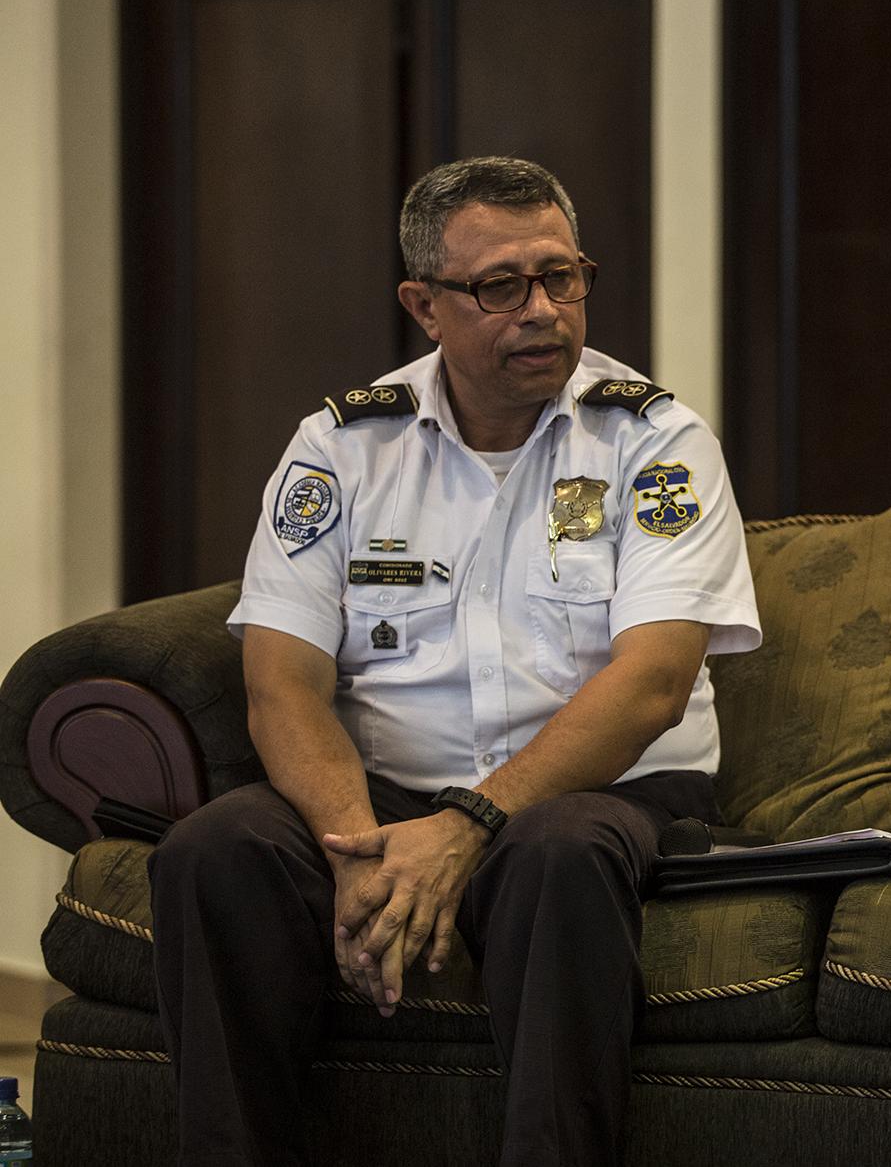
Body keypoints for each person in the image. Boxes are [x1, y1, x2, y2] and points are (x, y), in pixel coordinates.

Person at [148, 156, 760, 1164]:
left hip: (608, 791)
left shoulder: (654, 442)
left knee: (554, 855)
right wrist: (356, 847)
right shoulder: (342, 448)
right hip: (386, 793)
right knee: (213, 852)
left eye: (562, 276)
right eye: (500, 286)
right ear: (423, 304)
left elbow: (651, 685)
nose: (543, 310)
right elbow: (279, 683)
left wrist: (470, 822)